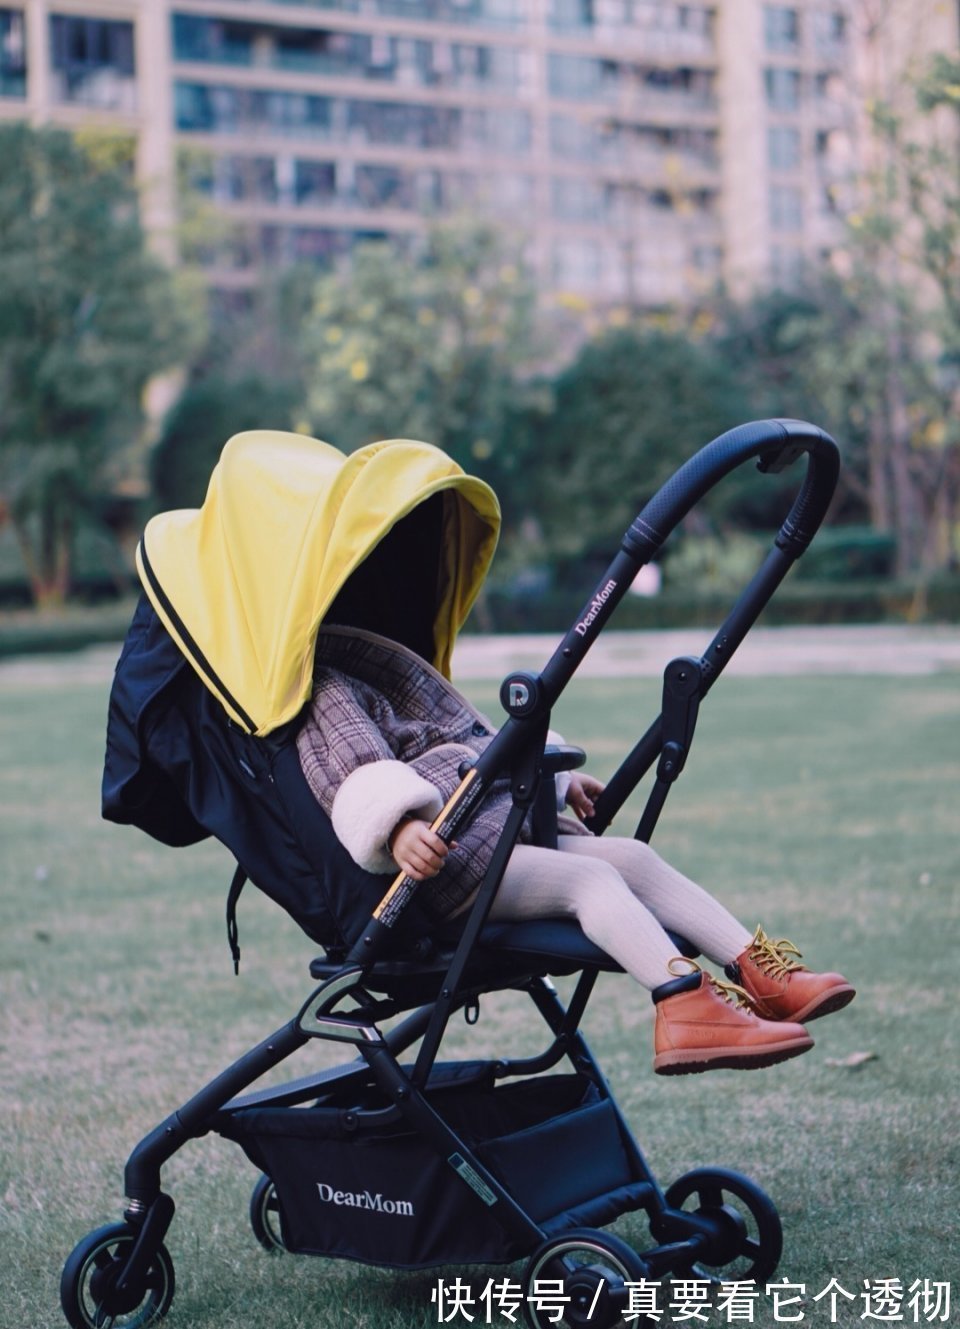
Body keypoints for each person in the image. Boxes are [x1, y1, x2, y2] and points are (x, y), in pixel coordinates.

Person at [297, 493, 855, 1076]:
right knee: (590, 878)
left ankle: (759, 972)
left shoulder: (393, 672)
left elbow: (476, 746)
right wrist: (399, 826)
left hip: (491, 836)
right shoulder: (330, 688)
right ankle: (683, 1005)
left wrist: (553, 782)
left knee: (633, 859)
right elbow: (352, 775)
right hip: (443, 867)